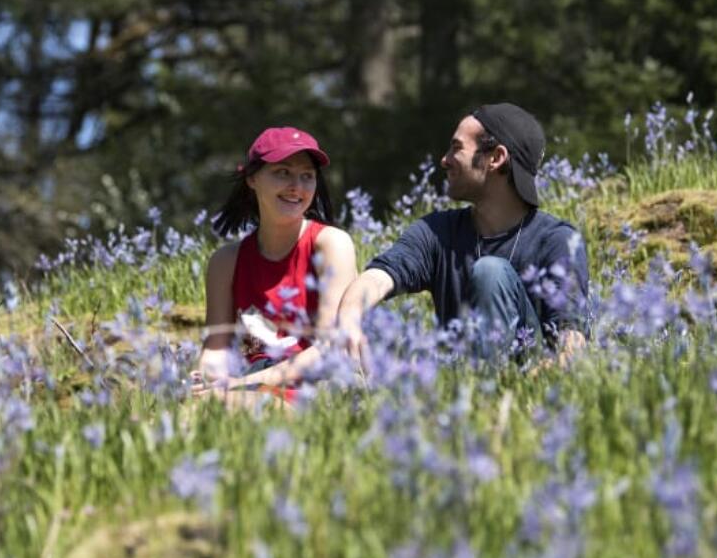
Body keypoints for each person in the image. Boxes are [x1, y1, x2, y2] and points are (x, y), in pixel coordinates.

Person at [337, 103, 589, 367]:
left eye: (456, 148)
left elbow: (572, 344)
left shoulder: (556, 240)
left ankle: (489, 390)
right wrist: (350, 316)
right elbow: (379, 277)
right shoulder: (438, 232)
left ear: (495, 158)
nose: (444, 160)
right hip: (459, 394)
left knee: (491, 271)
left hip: (533, 390)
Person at [191, 126, 357, 409]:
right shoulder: (225, 263)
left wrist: (241, 386)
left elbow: (331, 348)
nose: (297, 186)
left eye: (307, 176)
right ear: (252, 178)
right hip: (247, 388)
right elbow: (215, 350)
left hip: (319, 387)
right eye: (283, 172)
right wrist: (204, 379)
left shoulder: (331, 245)